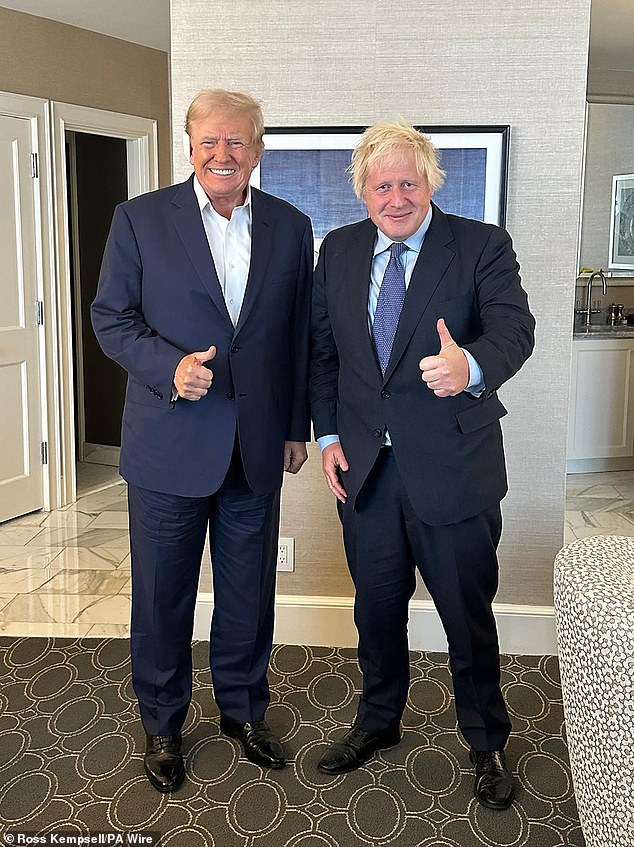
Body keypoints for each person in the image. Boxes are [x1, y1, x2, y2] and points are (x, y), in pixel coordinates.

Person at [92, 89, 313, 793]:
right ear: (188, 146)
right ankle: (162, 723)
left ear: (258, 150)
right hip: (168, 445)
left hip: (256, 445)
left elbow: (298, 338)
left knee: (248, 592)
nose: (223, 154)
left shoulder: (291, 225)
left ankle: (244, 711)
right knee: (163, 595)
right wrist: (169, 367)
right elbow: (110, 317)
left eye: (237, 142)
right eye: (210, 141)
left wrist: (293, 425)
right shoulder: (140, 219)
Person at [310, 121, 535, 810]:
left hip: (453, 468)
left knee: (466, 616)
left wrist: (468, 364)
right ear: (363, 191)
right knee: (375, 612)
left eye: (409, 181)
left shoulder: (479, 245)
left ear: (433, 182)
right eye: (382, 184)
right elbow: (323, 352)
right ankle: (378, 720)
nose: (396, 196)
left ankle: (486, 740)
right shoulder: (340, 250)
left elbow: (514, 329)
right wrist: (327, 437)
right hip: (366, 473)